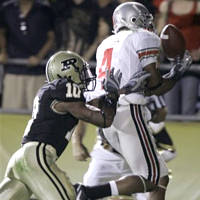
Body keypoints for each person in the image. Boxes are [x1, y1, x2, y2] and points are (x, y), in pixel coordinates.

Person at [72, 2, 192, 200]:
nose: (148, 23)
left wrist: (172, 73)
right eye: (144, 18)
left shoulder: (106, 43)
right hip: (129, 109)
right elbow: (155, 85)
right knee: (152, 178)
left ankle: (90, 190)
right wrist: (177, 70)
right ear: (133, 18)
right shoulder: (143, 37)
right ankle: (89, 191)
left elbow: (144, 85)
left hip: (107, 118)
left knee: (159, 178)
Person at [0, 50, 149, 200]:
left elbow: (95, 103)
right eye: (81, 71)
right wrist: (113, 96)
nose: (85, 75)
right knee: (68, 196)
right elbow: (102, 120)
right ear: (69, 72)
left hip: (22, 159)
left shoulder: (56, 91)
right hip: (37, 156)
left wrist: (122, 91)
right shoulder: (64, 87)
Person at [72, 95, 176, 200]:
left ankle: (91, 192)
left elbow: (169, 149)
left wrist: (153, 159)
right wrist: (76, 142)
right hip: (106, 154)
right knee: (88, 186)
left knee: (154, 182)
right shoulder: (108, 99)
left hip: (135, 162)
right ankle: (90, 191)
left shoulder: (153, 123)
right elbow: (84, 114)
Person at [0, 0, 55, 111]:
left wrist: (39, 57)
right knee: (10, 114)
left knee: (37, 113)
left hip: (38, 72)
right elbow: (1, 33)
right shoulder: (6, 8)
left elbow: (51, 37)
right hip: (13, 70)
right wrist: (3, 51)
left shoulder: (44, 9)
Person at [156, 0, 200, 115]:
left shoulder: (198, 6)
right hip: (170, 63)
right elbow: (160, 33)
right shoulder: (166, 6)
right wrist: (157, 54)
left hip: (192, 63)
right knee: (170, 110)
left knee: (188, 108)